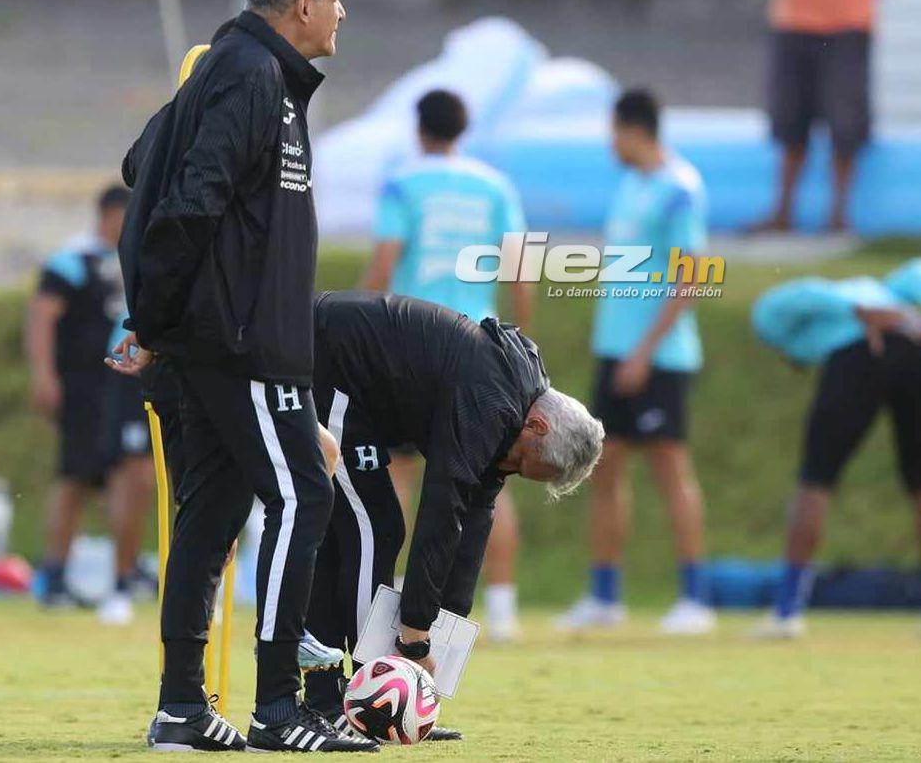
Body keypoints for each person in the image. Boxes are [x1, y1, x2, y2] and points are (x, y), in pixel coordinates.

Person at [110, 0, 372, 753]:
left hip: (232, 341)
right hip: (239, 346)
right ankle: (278, 709)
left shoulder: (253, 76)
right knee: (304, 495)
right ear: (301, 6)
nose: (341, 12)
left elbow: (142, 160)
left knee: (216, 511)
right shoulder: (248, 73)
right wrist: (152, 320)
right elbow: (186, 201)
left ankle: (182, 708)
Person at [303, 290, 603, 734]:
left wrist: (445, 627)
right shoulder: (492, 402)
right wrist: (414, 637)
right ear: (536, 426)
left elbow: (475, 515)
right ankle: (369, 698)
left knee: (352, 533)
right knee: (375, 526)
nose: (512, 470)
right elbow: (442, 509)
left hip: (358, 389)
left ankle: (338, 701)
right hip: (329, 359)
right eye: (522, 462)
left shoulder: (520, 408)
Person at [363, 88, 532, 642]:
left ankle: (383, 598)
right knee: (487, 481)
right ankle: (502, 607)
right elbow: (520, 268)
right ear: (464, 129)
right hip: (482, 354)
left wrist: (363, 321)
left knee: (398, 479)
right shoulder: (495, 185)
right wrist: (520, 346)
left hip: (413, 350)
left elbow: (385, 262)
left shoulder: (404, 182)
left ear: (420, 128)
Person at [555, 89, 715, 636]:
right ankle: (605, 596)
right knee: (605, 471)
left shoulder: (679, 188)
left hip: (659, 358)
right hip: (615, 354)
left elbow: (691, 279)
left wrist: (645, 352)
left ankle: (695, 599)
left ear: (633, 130)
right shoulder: (628, 186)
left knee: (672, 472)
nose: (610, 142)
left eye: (613, 131)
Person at [750, 258, 921, 640]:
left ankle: (786, 613)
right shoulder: (902, 295)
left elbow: (775, 305)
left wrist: (857, 311)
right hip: (920, 356)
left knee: (815, 480)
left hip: (855, 357)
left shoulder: (838, 302)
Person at [26, 185, 154, 624]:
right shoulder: (73, 260)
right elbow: (42, 316)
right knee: (76, 477)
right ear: (112, 215)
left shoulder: (138, 260)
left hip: (128, 386)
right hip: (83, 387)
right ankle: (55, 577)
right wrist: (44, 375)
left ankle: (124, 578)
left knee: (137, 474)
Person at [752, 0, 902, 232]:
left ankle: (839, 215)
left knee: (845, 121)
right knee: (789, 119)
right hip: (791, 23)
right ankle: (782, 213)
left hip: (846, 28)